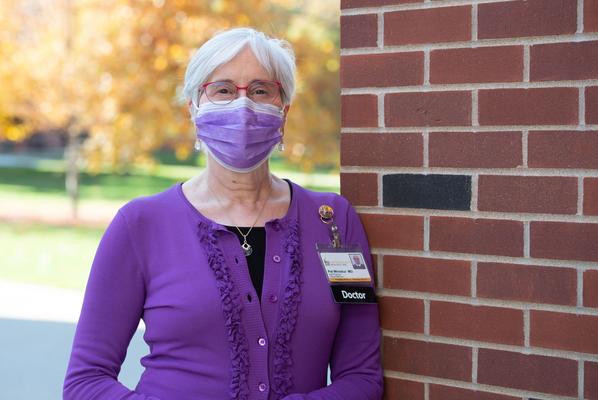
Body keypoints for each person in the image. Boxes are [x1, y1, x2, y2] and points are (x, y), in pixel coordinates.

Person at [63, 27, 383, 400]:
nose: (243, 106)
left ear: (284, 111)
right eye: (223, 90)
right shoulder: (141, 225)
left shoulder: (333, 223)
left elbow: (362, 376)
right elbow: (86, 382)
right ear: (194, 109)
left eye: (261, 90)